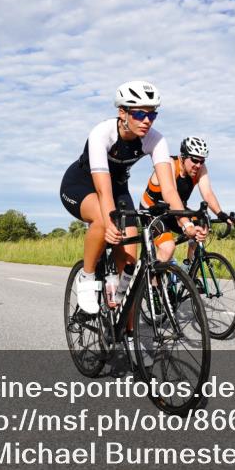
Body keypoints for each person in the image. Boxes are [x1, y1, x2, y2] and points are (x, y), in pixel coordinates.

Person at [59, 80, 191, 315]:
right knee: (102, 220)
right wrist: (110, 222)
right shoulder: (102, 133)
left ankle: (126, 331)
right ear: (122, 112)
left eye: (153, 115)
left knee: (128, 266)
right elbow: (102, 190)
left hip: (118, 188)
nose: (147, 121)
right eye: (140, 114)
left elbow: (169, 190)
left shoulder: (155, 139)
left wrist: (185, 223)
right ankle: (87, 278)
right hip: (82, 184)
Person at [141, 136, 233, 264]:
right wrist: (186, 225)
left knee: (201, 225)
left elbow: (207, 193)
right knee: (168, 248)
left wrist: (220, 213)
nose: (198, 165)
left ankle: (188, 266)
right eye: (194, 160)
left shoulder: (200, 169)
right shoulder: (170, 164)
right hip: (152, 210)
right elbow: (171, 193)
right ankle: (153, 282)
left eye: (202, 161)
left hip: (175, 209)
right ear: (183, 157)